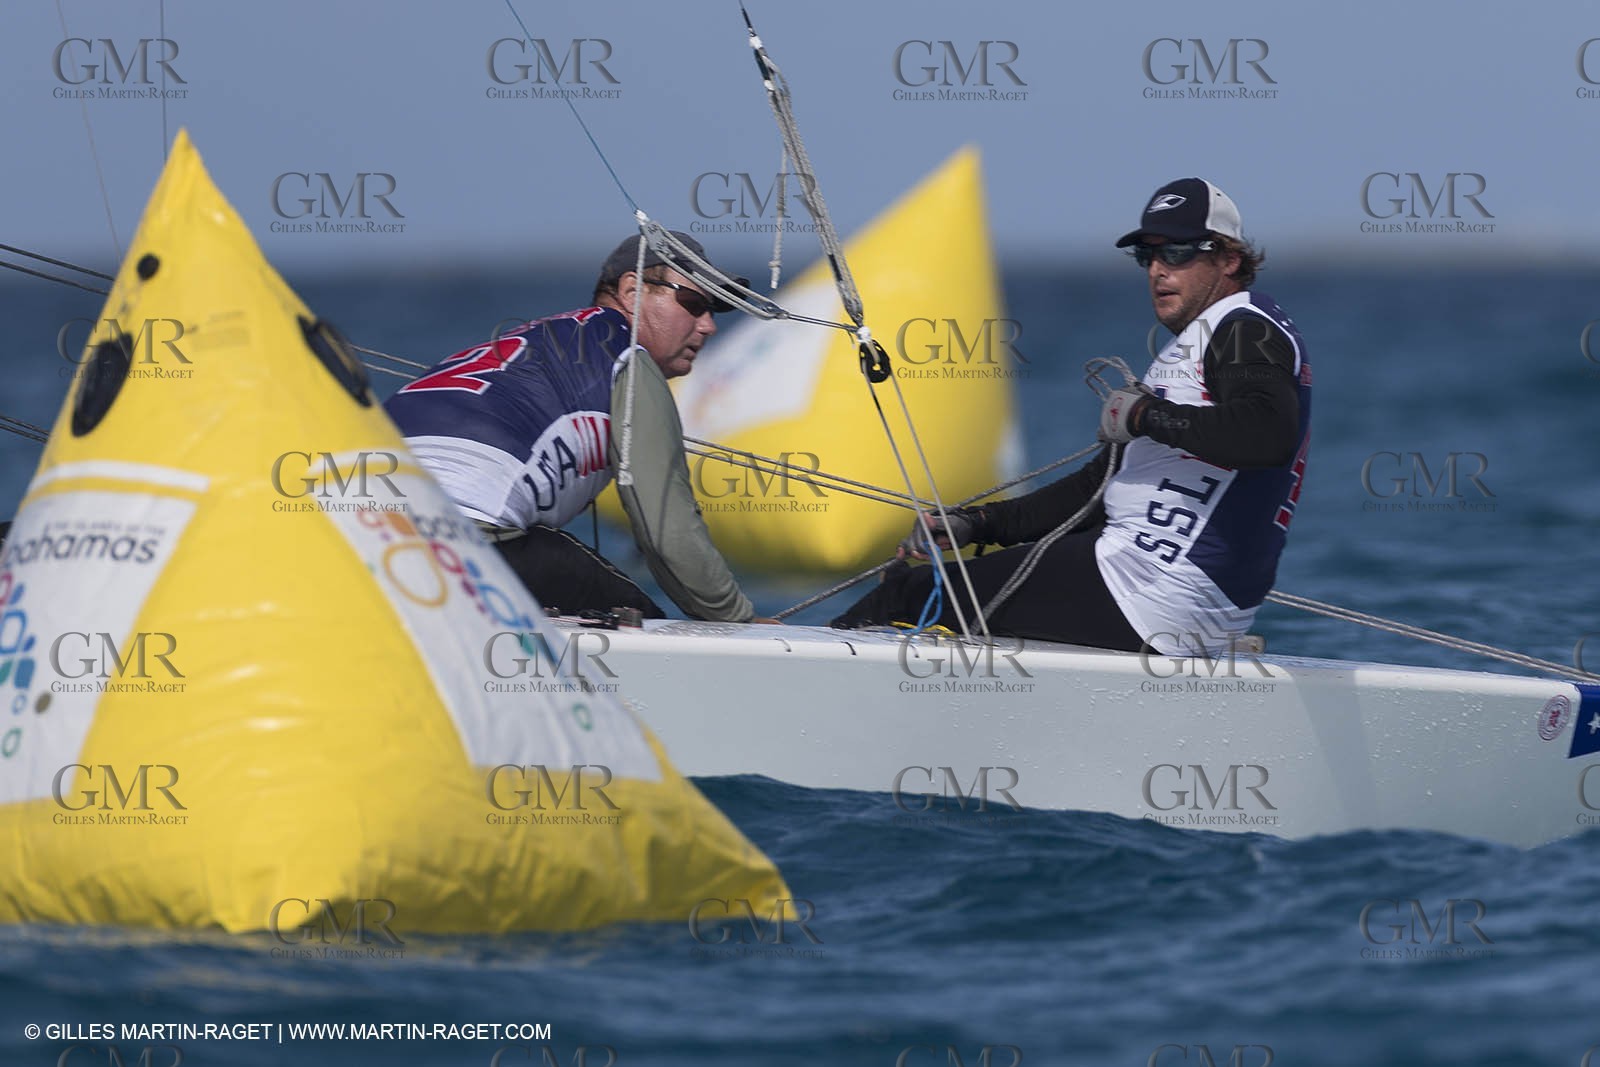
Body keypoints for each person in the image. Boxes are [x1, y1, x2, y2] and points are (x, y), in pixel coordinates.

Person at [832, 178, 1311, 656]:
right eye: (1149, 255)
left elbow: (1266, 436)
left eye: (1180, 252)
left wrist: (1145, 414)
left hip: (1150, 591)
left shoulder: (1244, 329)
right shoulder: (1211, 336)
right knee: (943, 594)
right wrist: (977, 524)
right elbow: (1094, 492)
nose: (1159, 271)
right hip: (1156, 589)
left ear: (1229, 259)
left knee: (905, 597)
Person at [386, 231, 768, 623]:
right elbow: (666, 530)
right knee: (638, 615)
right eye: (694, 303)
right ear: (633, 291)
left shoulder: (519, 343)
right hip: (457, 544)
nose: (708, 326)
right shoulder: (628, 361)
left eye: (714, 310)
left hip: (347, 535)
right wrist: (738, 621)